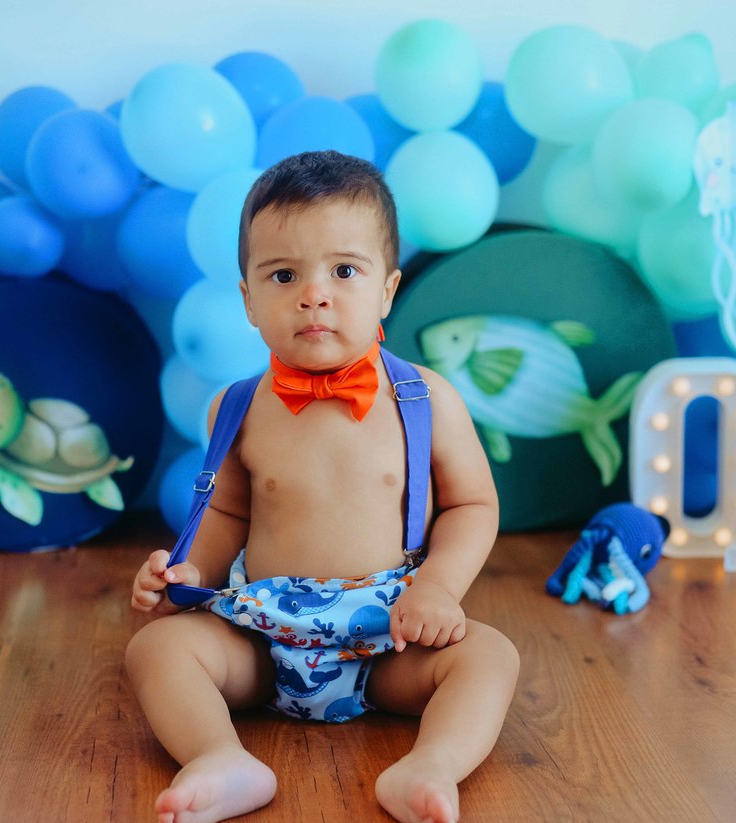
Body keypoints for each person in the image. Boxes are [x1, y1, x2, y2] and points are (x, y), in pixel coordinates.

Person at [127, 150, 519, 823]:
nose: (314, 294)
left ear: (387, 290)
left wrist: (438, 587)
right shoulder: (238, 406)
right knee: (156, 649)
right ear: (249, 300)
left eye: (344, 270)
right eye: (284, 275)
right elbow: (226, 512)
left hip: (390, 637)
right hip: (263, 635)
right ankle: (219, 756)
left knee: (490, 657)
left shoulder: (424, 398)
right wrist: (190, 570)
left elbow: (472, 504)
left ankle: (431, 764)